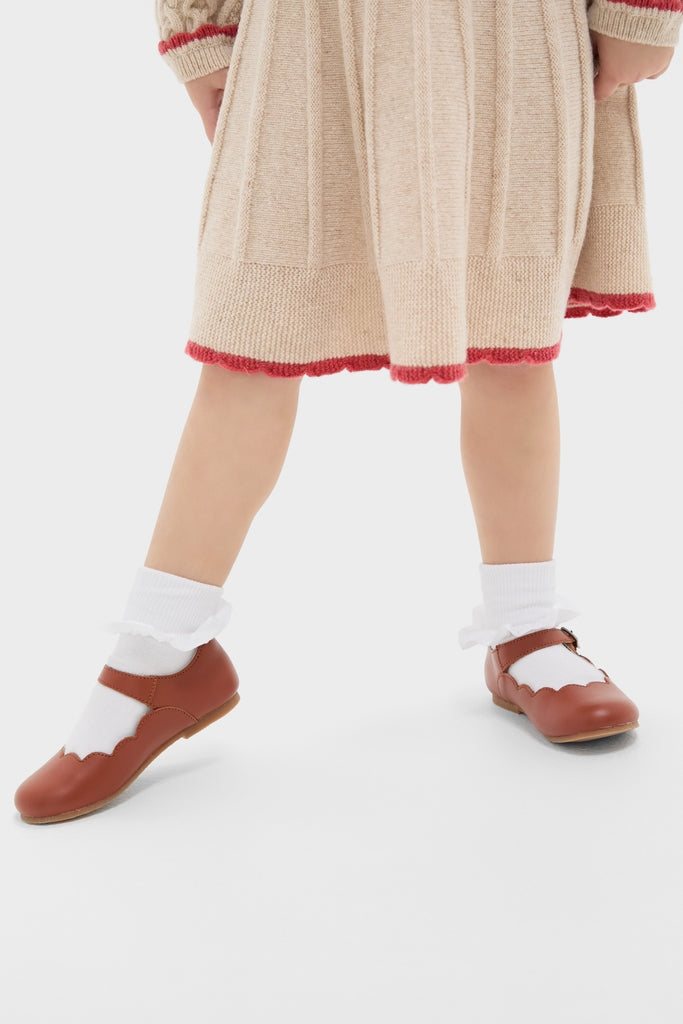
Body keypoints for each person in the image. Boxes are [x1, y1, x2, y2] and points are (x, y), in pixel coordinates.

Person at [14, 0, 682, 824]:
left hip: (510, 29)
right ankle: (155, 653)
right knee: (246, 341)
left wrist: (637, 11)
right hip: (306, 36)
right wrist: (200, 30)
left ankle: (526, 628)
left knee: (509, 334)